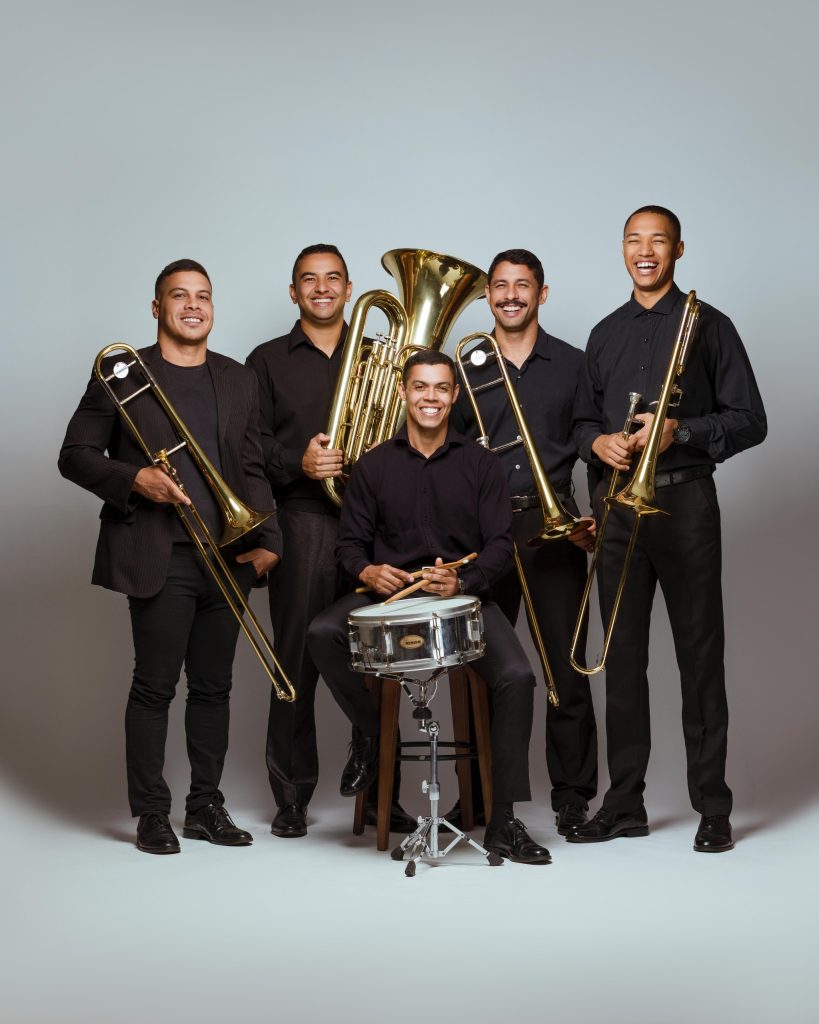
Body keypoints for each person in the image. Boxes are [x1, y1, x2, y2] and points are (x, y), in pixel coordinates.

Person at [59, 259, 282, 854]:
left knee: (214, 687)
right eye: (179, 296)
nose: (192, 305)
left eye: (202, 296)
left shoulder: (238, 378)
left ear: (213, 307)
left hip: (229, 556)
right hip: (162, 554)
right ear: (157, 308)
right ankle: (151, 813)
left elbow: (253, 466)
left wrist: (270, 542)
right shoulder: (121, 373)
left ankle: (205, 806)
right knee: (155, 686)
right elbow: (74, 455)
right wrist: (136, 479)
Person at [569, 206, 767, 852]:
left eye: (657, 240)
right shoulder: (603, 334)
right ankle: (623, 803)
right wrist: (597, 443)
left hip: (685, 504)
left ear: (678, 249)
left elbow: (751, 419)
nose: (645, 251)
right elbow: (580, 422)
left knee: (699, 657)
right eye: (634, 240)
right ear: (622, 249)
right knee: (622, 659)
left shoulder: (709, 325)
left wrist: (679, 431)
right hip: (618, 506)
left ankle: (712, 807)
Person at [307, 349, 552, 864]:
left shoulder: (481, 463)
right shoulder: (373, 465)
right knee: (321, 633)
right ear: (404, 392)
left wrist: (462, 579)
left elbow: (500, 545)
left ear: (455, 395)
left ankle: (504, 821)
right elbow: (349, 545)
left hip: (460, 599)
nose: (431, 398)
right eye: (420, 386)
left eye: (441, 388)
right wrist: (367, 572)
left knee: (517, 677)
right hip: (391, 597)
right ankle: (371, 734)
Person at [246, 244, 413, 839]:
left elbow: (411, 429)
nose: (322, 288)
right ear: (294, 292)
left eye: (333, 278)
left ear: (349, 289)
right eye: (309, 280)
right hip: (303, 522)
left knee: (381, 661)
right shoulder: (265, 361)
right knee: (296, 658)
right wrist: (299, 461)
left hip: (376, 527)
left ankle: (385, 796)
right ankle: (291, 796)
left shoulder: (381, 354)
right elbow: (249, 446)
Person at [451, 248, 598, 836]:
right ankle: (480, 797)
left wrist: (599, 518)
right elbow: (446, 452)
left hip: (552, 525)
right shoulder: (463, 366)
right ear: (487, 294)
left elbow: (593, 443)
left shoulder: (575, 364)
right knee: (481, 668)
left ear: (542, 293)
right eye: (500, 285)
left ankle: (573, 797)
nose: (510, 295)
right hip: (482, 533)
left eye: (522, 285)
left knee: (567, 667)